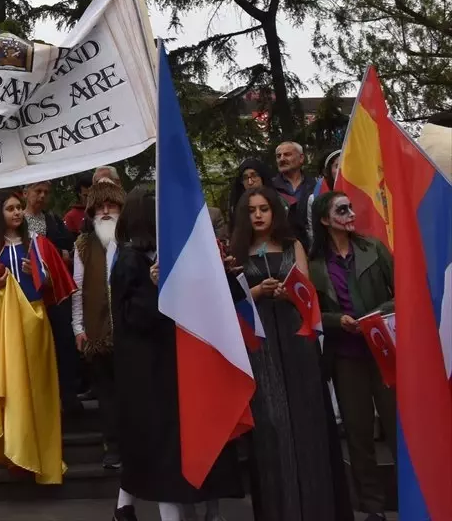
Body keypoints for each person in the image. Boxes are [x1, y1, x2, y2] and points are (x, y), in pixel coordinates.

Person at [109, 186, 244, 521]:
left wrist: (222, 274)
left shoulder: (177, 252)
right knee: (165, 460)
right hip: (151, 375)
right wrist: (157, 290)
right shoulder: (129, 259)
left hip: (184, 368)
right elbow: (131, 319)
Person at [231, 186, 347, 521]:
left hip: (296, 339)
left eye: (264, 208)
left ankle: (316, 508)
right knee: (272, 424)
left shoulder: (293, 245)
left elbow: (308, 294)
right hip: (259, 344)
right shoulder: (236, 252)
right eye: (251, 209)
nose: (257, 215)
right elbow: (228, 306)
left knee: (306, 422)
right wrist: (255, 291)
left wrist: (287, 293)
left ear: (274, 212)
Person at [0, 190, 75, 485]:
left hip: (34, 323)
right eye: (10, 208)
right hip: (0, 324)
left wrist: (43, 274)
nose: (16, 213)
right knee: (9, 387)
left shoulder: (39, 245)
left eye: (18, 208)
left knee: (37, 388)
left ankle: (40, 454)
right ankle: (14, 452)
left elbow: (56, 286)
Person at [308, 192, 395, 521]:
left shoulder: (373, 248)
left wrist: (376, 315)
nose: (350, 213)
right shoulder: (316, 264)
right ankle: (373, 509)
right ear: (325, 220)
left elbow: (404, 292)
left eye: (350, 207)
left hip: (385, 350)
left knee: (398, 427)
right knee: (359, 436)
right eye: (340, 209)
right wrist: (335, 321)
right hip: (346, 358)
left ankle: (417, 498)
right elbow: (312, 311)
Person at [71, 178, 125, 469]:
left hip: (131, 330)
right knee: (106, 396)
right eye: (100, 207)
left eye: (111, 206)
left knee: (132, 392)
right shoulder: (83, 245)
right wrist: (78, 328)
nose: (105, 212)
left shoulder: (133, 242)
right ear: (91, 213)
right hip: (97, 331)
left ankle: (137, 447)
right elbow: (77, 289)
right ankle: (113, 447)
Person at [22, 180, 81, 410]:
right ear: (26, 193)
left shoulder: (54, 220)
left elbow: (69, 247)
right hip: (27, 292)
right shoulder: (17, 221)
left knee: (62, 340)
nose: (42, 196)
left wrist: (59, 254)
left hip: (54, 291)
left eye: (46, 192)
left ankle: (68, 395)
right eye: (38, 191)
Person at [271, 142, 318, 247]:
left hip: (313, 249)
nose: (282, 159)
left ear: (301, 158)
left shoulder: (316, 185)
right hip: (282, 249)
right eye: (278, 156)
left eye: (287, 154)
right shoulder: (270, 188)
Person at [305, 150, 341, 245]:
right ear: (327, 171)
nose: (342, 169)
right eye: (338, 166)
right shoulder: (315, 199)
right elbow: (314, 233)